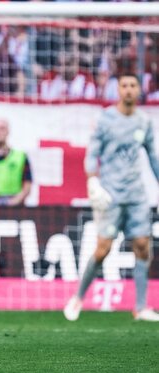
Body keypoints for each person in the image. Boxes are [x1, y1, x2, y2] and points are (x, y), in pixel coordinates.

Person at [64, 73, 159, 322]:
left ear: (139, 90)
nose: (128, 90)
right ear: (118, 90)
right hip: (110, 195)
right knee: (103, 249)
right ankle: (78, 297)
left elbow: (152, 157)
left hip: (137, 195)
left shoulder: (144, 122)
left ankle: (140, 307)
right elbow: (91, 153)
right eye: (124, 86)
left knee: (142, 247)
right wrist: (92, 181)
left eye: (132, 86)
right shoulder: (106, 119)